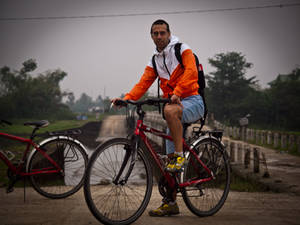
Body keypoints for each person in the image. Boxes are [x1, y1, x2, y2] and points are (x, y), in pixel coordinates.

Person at [111, 19, 205, 217]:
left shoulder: (182, 49)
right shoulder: (154, 60)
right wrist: (126, 99)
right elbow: (143, 83)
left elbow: (191, 71)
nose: (159, 36)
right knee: (168, 162)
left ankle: (180, 157)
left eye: (163, 33)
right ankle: (170, 203)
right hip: (173, 104)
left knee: (169, 112)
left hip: (193, 101)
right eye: (156, 33)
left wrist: (178, 91)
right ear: (151, 36)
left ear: (169, 34)